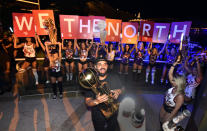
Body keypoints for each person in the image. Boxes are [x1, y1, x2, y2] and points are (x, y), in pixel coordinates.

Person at [84, 56, 123, 131]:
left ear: (107, 66)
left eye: (105, 64)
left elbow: (123, 89)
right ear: (95, 66)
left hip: (114, 111)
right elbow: (88, 102)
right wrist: (97, 101)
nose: (103, 67)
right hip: (98, 114)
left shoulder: (114, 77)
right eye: (100, 64)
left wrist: (119, 91)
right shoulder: (90, 81)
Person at [159, 60, 186, 128]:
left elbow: (176, 109)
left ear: (178, 83)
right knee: (160, 120)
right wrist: (174, 65)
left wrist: (169, 118)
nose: (172, 80)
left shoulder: (180, 96)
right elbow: (170, 74)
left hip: (170, 110)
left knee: (164, 124)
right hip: (164, 105)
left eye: (174, 80)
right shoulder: (174, 86)